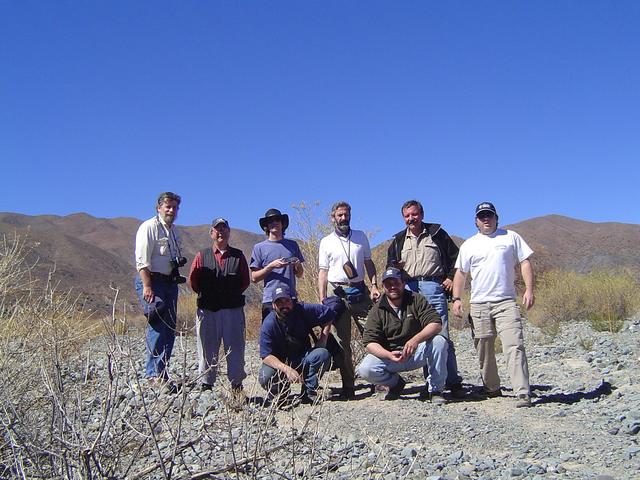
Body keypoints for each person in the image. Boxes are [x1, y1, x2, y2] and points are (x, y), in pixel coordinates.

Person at [452, 202, 535, 408]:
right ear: (476, 221)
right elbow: (461, 273)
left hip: (506, 301)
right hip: (479, 304)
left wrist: (529, 289)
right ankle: (491, 387)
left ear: (497, 218)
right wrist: (457, 299)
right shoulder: (469, 244)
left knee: (514, 345)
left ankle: (522, 392)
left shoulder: (510, 237)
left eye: (489, 215)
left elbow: (525, 262)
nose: (486, 219)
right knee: (484, 348)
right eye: (482, 216)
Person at [386, 199, 463, 395]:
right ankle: (432, 382)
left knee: (440, 335)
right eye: (407, 216)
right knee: (417, 335)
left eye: (414, 214)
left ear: (421, 214)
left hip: (433, 287)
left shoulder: (437, 234)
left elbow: (457, 257)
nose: (411, 218)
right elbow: (390, 267)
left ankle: (451, 381)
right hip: (409, 290)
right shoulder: (398, 240)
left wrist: (450, 278)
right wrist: (396, 269)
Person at [356, 267, 448, 404]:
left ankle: (435, 390)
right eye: (388, 284)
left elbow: (435, 324)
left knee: (440, 341)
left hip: (416, 352)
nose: (392, 287)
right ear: (383, 287)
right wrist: (388, 355)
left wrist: (416, 340)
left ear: (403, 283)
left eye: (396, 283)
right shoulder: (377, 309)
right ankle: (395, 384)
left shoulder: (416, 299)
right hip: (392, 357)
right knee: (365, 369)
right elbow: (369, 343)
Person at [318, 201, 380, 399]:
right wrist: (322, 298)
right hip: (336, 292)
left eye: (346, 215)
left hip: (360, 290)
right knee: (342, 340)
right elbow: (322, 272)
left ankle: (380, 380)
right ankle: (348, 385)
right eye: (339, 215)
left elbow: (368, 263)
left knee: (373, 332)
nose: (343, 218)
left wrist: (374, 285)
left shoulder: (360, 236)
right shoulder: (326, 241)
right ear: (333, 218)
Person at [187, 218, 250, 396]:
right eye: (217, 229)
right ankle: (206, 385)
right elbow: (193, 282)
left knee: (236, 348)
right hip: (208, 311)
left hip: (233, 311)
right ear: (211, 233)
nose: (221, 232)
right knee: (207, 348)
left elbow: (245, 281)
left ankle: (237, 385)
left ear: (229, 232)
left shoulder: (238, 256)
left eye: (224, 229)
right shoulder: (201, 255)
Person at [134, 191, 185, 390]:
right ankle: (152, 374)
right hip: (152, 282)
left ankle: (162, 372)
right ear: (159, 207)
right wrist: (147, 286)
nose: (171, 210)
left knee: (169, 328)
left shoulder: (174, 232)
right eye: (168, 206)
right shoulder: (149, 227)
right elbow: (142, 261)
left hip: (170, 283)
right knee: (156, 326)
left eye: (175, 207)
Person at [258, 285, 335, 405]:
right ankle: (282, 395)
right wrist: (287, 369)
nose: (284, 305)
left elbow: (329, 313)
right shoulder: (269, 324)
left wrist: (323, 340)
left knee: (322, 354)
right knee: (265, 376)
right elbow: (266, 356)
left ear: (292, 301)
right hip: (281, 363)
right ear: (273, 305)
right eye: (279, 302)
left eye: (287, 301)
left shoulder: (303, 310)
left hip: (303, 357)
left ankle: (309, 391)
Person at [250, 208, 304, 320]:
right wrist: (271, 266)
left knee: (293, 335)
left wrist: (298, 265)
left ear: (282, 223)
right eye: (270, 221)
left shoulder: (292, 245)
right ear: (266, 226)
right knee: (272, 335)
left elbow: (299, 274)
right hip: (270, 300)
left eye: (277, 220)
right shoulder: (259, 248)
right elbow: (254, 278)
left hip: (290, 298)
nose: (274, 223)